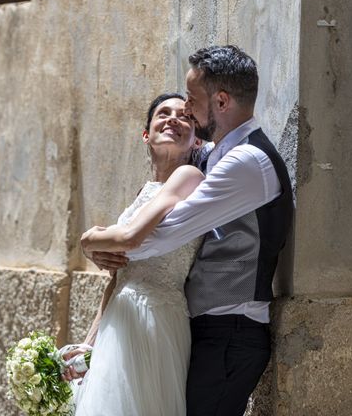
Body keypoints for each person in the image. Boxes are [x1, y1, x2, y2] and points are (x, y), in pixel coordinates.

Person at [88, 45, 294, 416]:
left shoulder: (247, 161)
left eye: (191, 98)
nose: (184, 108)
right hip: (204, 328)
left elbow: (159, 237)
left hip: (231, 330)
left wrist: (91, 242)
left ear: (221, 101)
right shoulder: (216, 152)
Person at [62, 93, 204, 415]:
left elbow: (129, 238)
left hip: (154, 317)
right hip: (120, 317)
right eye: (163, 114)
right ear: (146, 134)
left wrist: (89, 239)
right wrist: (89, 344)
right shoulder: (145, 192)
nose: (172, 119)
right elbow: (118, 278)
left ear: (197, 141)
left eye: (184, 117)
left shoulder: (189, 177)